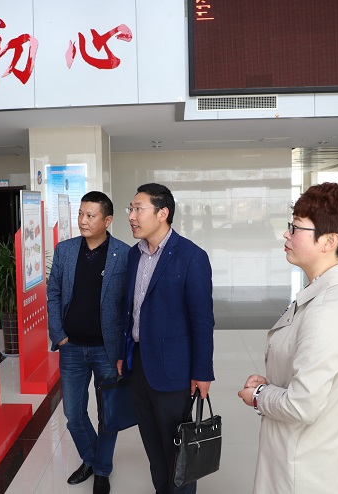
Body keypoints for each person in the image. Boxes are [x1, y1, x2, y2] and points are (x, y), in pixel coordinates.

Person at [238, 181, 338, 494]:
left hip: (308, 470)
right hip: (321, 458)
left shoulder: (328, 309)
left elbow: (302, 405)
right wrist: (273, 382)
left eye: (296, 227)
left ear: (329, 241)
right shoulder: (329, 291)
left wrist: (259, 394)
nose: (286, 234)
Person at [117, 183, 214, 494]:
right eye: (130, 209)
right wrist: (122, 353)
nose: (131, 216)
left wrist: (202, 372)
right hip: (139, 365)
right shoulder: (134, 255)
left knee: (178, 451)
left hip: (174, 371)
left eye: (138, 209)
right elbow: (130, 310)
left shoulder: (191, 257)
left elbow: (202, 321)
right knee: (153, 448)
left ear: (162, 213)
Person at [47, 191, 129, 494]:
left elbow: (129, 306)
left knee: (108, 415)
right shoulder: (65, 250)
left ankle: (101, 471)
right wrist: (59, 335)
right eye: (81, 213)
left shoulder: (124, 253)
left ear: (107, 220)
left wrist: (123, 351)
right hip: (71, 348)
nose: (83, 220)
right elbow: (53, 293)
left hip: (107, 350)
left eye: (90, 215)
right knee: (73, 415)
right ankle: (94, 459)